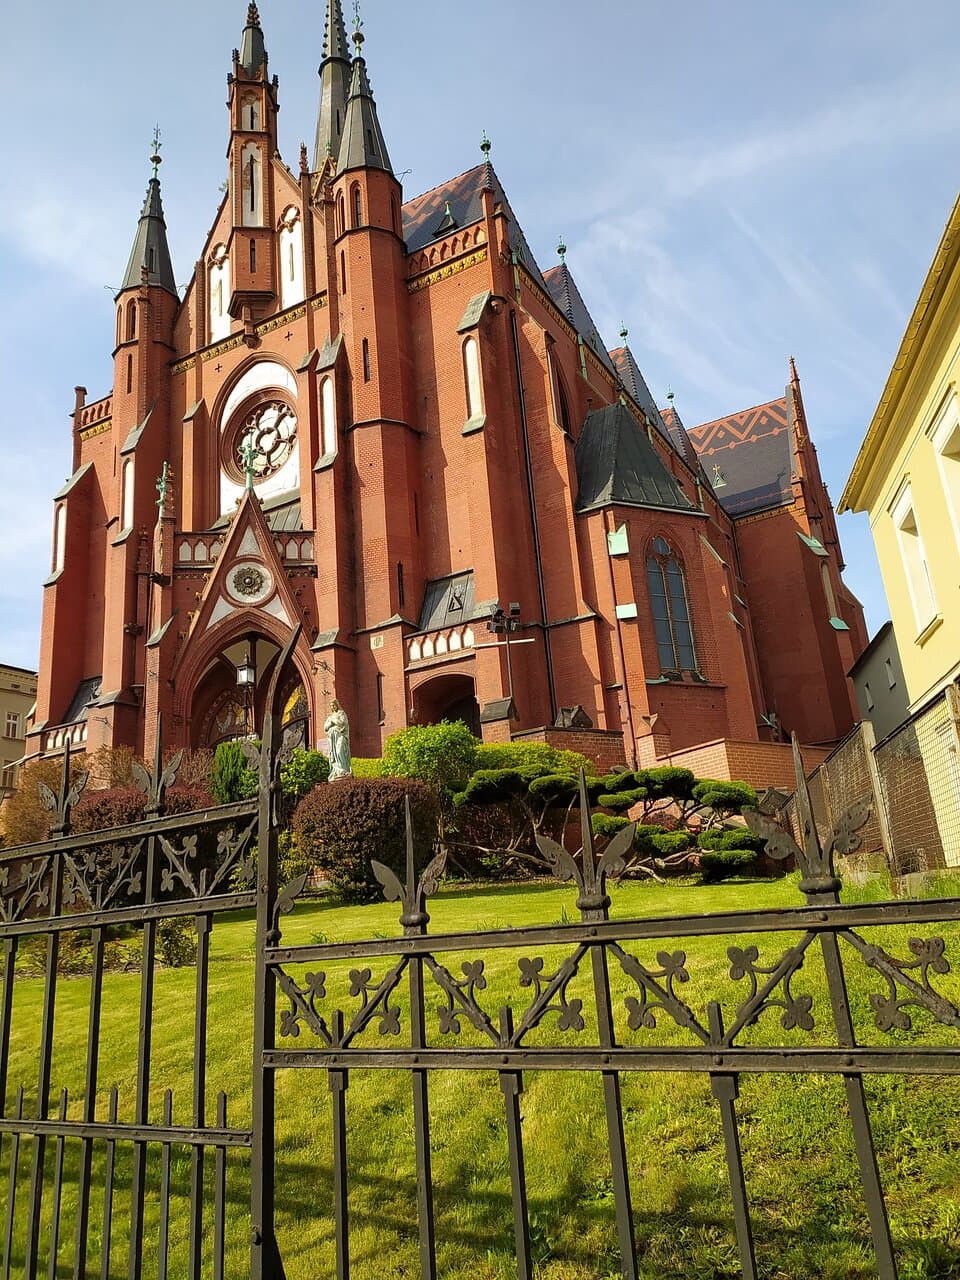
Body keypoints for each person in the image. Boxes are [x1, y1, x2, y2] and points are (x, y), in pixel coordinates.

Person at [324, 699, 352, 780]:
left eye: (333, 705)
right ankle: (336, 771)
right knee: (334, 753)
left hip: (340, 735)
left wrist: (333, 721)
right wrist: (331, 722)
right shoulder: (330, 716)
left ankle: (343, 770)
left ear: (337, 705)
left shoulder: (341, 714)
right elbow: (325, 727)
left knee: (340, 751)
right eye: (331, 706)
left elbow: (342, 724)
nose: (332, 707)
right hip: (333, 738)